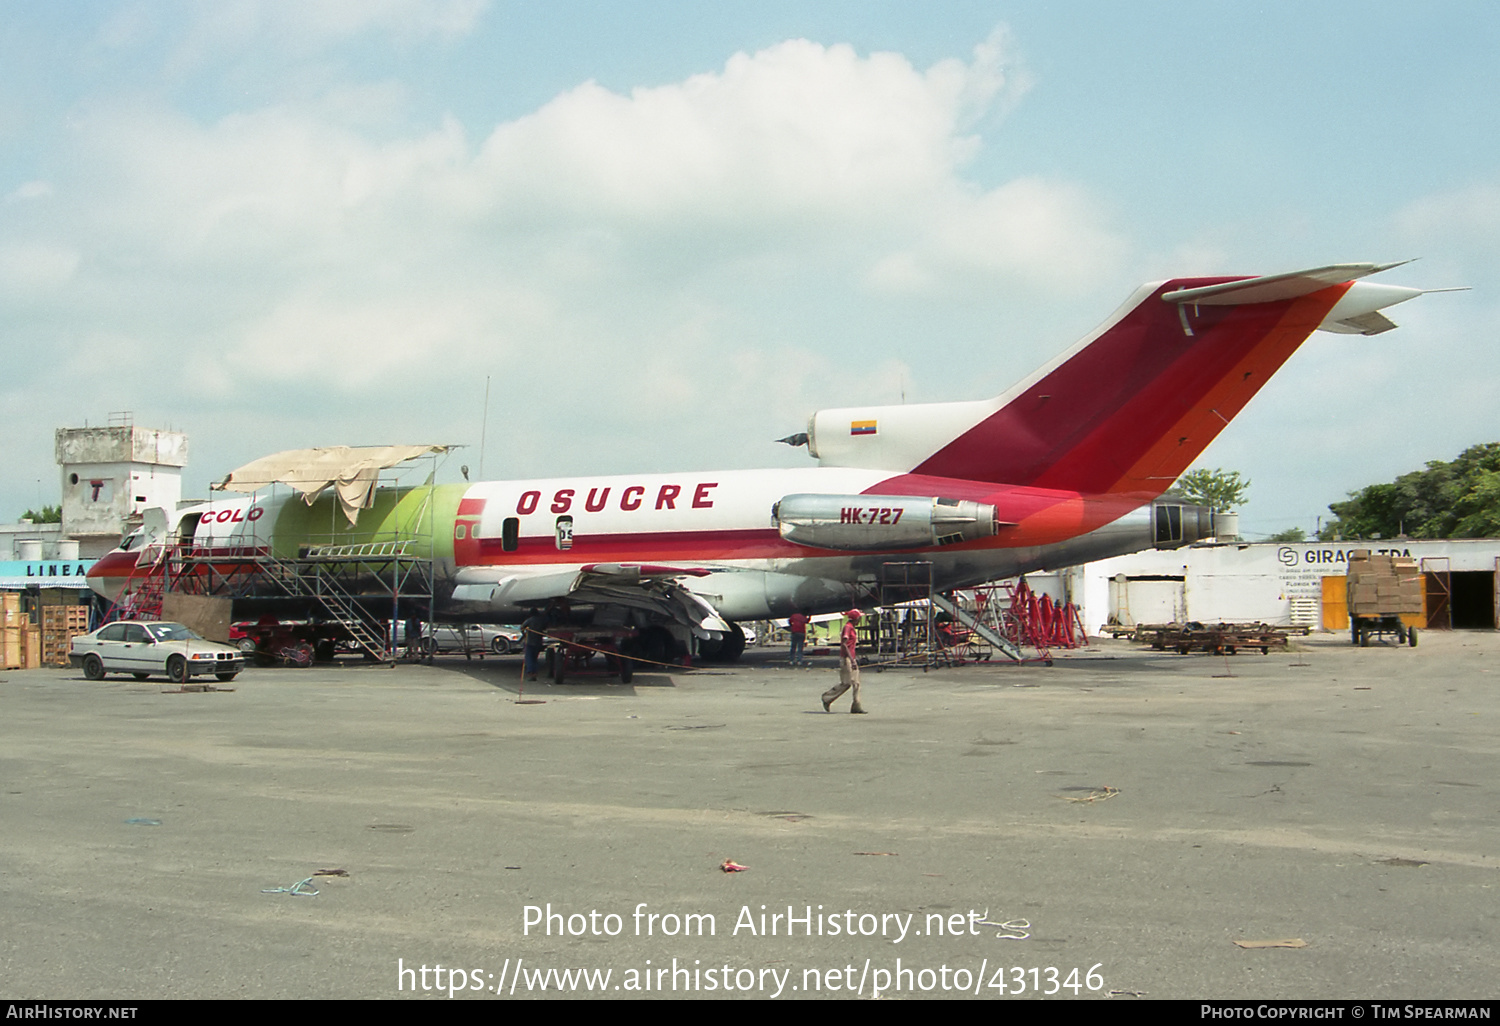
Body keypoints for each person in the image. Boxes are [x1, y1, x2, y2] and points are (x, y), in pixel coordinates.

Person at [821, 609, 866, 713]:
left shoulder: (852, 628)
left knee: (856, 683)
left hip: (851, 658)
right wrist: (851, 660)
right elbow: (844, 644)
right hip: (846, 659)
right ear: (856, 619)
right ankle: (827, 697)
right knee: (846, 683)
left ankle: (856, 705)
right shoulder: (848, 628)